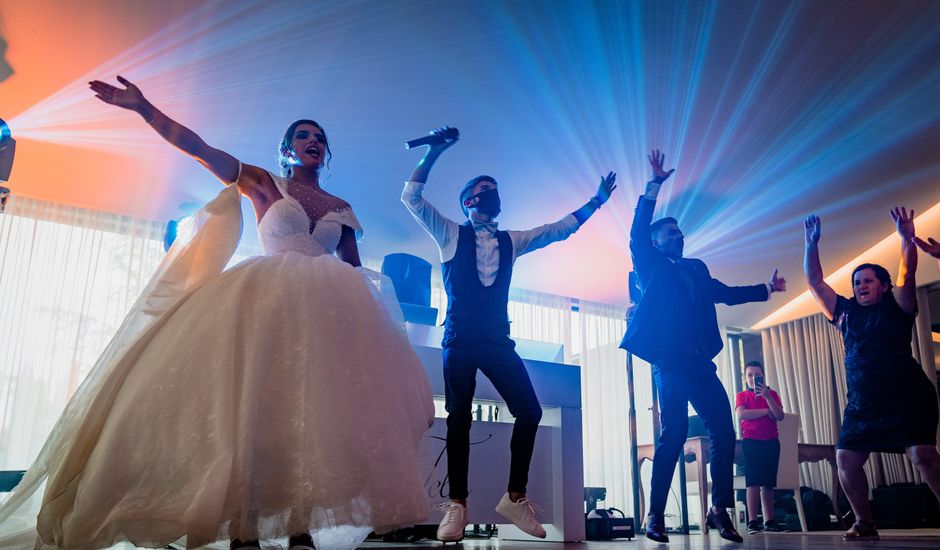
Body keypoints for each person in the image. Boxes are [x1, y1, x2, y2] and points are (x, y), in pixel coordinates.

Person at [0, 76, 435, 550]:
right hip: (267, 303)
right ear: (286, 150)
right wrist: (144, 109)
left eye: (320, 138)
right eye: (303, 135)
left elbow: (354, 272)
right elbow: (199, 148)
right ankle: (243, 526)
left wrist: (372, 343)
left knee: (309, 418)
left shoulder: (342, 208)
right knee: (255, 412)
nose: (314, 141)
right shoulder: (265, 183)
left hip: (326, 316)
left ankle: (300, 527)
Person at [401, 127, 617, 542]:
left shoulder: (512, 240)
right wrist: (433, 153)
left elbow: (559, 229)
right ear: (468, 202)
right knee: (460, 418)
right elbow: (411, 198)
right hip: (459, 339)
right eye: (484, 188)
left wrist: (597, 202)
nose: (492, 192)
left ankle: (514, 498)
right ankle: (457, 505)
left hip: (498, 340)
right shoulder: (450, 232)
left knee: (530, 411)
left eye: (495, 188)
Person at [621, 150, 787, 544]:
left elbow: (725, 294)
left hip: (700, 363)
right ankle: (655, 515)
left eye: (680, 232)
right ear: (657, 241)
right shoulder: (650, 264)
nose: (678, 236)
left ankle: (719, 510)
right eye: (670, 233)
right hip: (670, 363)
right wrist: (654, 187)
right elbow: (636, 233)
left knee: (725, 432)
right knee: (673, 433)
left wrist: (765, 289)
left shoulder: (696, 267)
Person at [803, 210, 940, 541]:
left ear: (882, 286)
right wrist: (811, 245)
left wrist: (906, 239)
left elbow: (907, 276)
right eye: (856, 282)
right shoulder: (844, 313)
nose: (860, 285)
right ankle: (865, 522)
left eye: (867, 280)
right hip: (863, 404)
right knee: (845, 458)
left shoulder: (898, 305)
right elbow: (815, 282)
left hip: (908, 397)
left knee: (921, 455)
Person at [734, 360, 786, 534]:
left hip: (771, 441)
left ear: (762, 376)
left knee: (769, 483)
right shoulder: (742, 396)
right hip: (752, 441)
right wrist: (765, 412)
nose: (753, 378)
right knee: (753, 481)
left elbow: (779, 415)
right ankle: (753, 521)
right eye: (750, 375)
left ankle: (770, 521)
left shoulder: (772, 394)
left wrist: (767, 397)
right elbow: (742, 414)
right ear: (745, 377)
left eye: (757, 375)